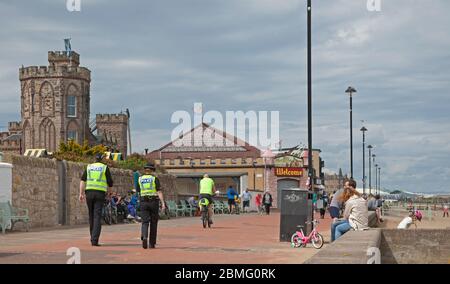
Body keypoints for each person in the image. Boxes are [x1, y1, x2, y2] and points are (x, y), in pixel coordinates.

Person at [79, 153, 113, 246]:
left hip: (89, 193)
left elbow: (82, 180)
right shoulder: (104, 167)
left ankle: (92, 237)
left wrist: (81, 193)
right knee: (97, 216)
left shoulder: (89, 167)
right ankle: (95, 240)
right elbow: (110, 183)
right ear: (101, 159)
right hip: (99, 194)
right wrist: (110, 193)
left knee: (91, 215)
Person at [137, 163, 165, 249]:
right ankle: (152, 243)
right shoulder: (154, 179)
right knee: (153, 222)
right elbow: (159, 192)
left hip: (143, 202)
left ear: (145, 170)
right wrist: (163, 203)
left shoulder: (140, 179)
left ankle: (144, 237)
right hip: (153, 202)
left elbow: (138, 191)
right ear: (152, 170)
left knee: (144, 222)